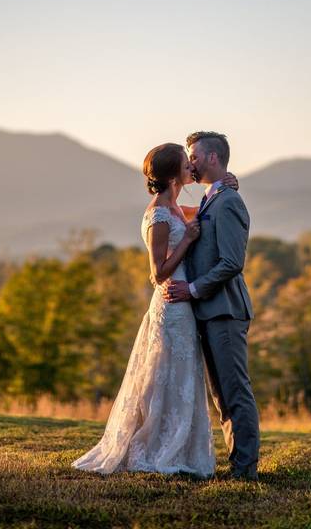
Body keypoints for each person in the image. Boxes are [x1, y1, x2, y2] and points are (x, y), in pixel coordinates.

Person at [72, 142, 238, 477]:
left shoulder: (175, 207)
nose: (191, 166)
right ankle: (154, 448)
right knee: (162, 379)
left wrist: (227, 184)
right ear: (173, 173)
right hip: (171, 304)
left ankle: (179, 447)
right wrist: (189, 241)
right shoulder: (159, 214)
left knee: (179, 377)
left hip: (184, 304)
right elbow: (157, 273)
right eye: (185, 162)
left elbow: (206, 210)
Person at [166, 131, 260, 481]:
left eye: (193, 155)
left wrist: (191, 289)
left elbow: (232, 262)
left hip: (225, 310)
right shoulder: (213, 196)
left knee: (235, 392)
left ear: (211, 158)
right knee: (221, 396)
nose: (189, 161)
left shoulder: (230, 201)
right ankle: (238, 464)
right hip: (208, 312)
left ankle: (245, 469)